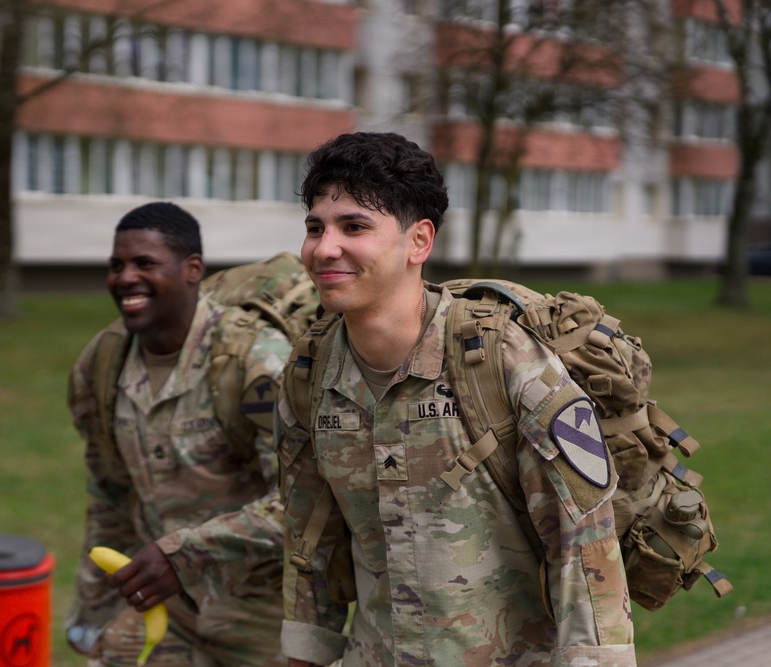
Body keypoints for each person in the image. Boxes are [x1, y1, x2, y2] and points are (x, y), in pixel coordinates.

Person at [274, 132, 636, 666]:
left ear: (419, 242)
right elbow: (308, 544)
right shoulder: (309, 373)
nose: (324, 248)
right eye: (315, 227)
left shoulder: (504, 360)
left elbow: (584, 545)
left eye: (354, 227)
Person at [66, 201, 292, 666]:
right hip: (163, 605)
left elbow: (300, 501)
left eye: (144, 263)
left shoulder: (253, 358)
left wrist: (183, 555)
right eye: (116, 265)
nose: (125, 278)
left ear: (192, 269)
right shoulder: (103, 363)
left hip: (262, 614)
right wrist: (92, 607)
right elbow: (109, 491)